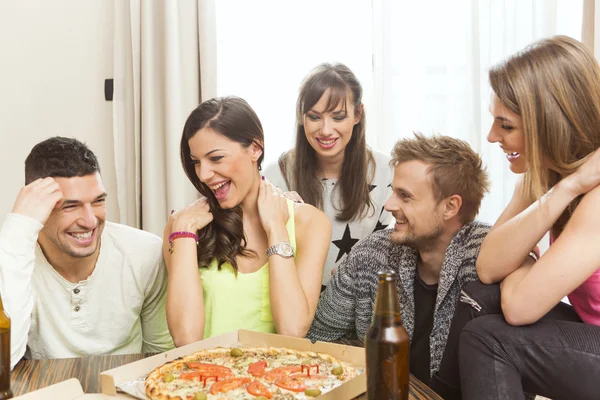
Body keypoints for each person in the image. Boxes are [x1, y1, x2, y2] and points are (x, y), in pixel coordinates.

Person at [453, 36, 600, 400]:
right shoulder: (550, 175)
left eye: (506, 125)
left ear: (550, 123)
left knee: (488, 341)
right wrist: (566, 188)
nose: (491, 137)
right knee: (480, 297)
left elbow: (520, 308)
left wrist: (526, 261)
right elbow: (488, 267)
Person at [306, 133, 491, 386]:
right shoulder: (372, 253)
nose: (390, 204)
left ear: (450, 206)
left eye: (405, 196)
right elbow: (317, 344)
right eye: (393, 192)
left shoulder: (488, 256)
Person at [165, 96, 331, 346]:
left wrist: (276, 228)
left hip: (272, 379)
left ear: (255, 149)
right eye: (196, 162)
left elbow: (293, 329)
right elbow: (186, 338)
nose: (204, 174)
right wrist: (185, 234)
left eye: (216, 158)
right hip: (198, 379)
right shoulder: (183, 226)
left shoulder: (310, 223)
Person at [0, 137, 174, 370]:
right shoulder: (13, 256)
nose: (90, 221)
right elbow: (4, 361)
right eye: (70, 206)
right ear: (37, 205)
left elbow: (161, 356)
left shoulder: (145, 252)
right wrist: (20, 227)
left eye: (98, 201)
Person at [264, 63, 393, 288]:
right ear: (301, 117)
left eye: (338, 117)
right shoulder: (276, 177)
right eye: (314, 117)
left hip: (358, 308)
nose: (325, 130)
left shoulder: (386, 172)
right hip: (291, 307)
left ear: (357, 114)